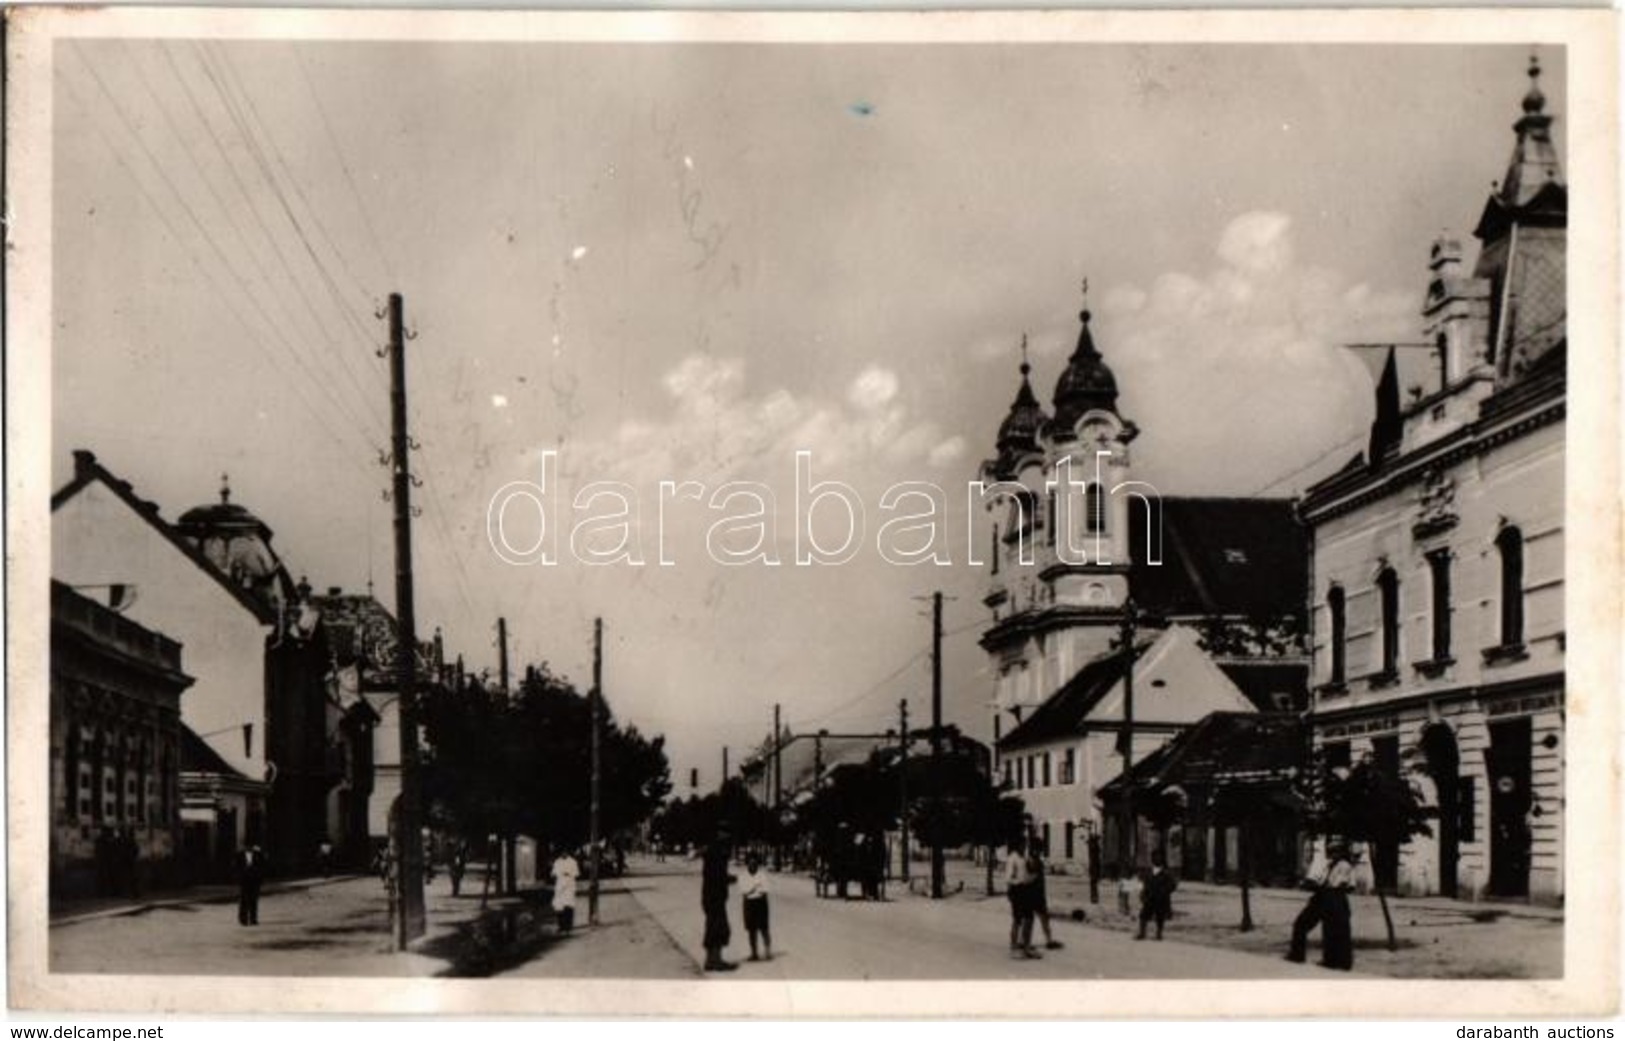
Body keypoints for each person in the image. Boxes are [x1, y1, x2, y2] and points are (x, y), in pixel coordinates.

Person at [1287, 840, 1355, 969]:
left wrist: (1317, 886)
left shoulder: (1344, 865)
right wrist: (1310, 883)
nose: (1332, 854)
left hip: (1335, 899)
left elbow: (1337, 884)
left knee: (1335, 930)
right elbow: (1321, 880)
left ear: (1341, 853)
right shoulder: (1328, 865)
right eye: (1330, 851)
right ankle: (1297, 955)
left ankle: (1336, 962)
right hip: (1322, 897)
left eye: (1335, 851)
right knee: (1301, 924)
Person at [701, 828, 738, 971]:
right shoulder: (717, 852)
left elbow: (713, 874)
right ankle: (715, 961)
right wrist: (729, 879)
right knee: (718, 928)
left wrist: (726, 878)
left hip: (711, 896)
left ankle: (711, 960)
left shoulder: (713, 851)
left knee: (713, 927)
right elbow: (716, 876)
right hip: (714, 896)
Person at [1003, 835, 1039, 959]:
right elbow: (1008, 878)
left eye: (1025, 844)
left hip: (1027, 890)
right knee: (1017, 919)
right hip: (1017, 890)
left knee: (1029, 918)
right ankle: (1014, 946)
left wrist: (1032, 873)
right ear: (1017, 845)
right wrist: (1017, 883)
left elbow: (1031, 872)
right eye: (1022, 844)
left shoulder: (1026, 857)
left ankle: (1026, 945)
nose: (1024, 846)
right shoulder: (1012, 858)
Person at [1026, 837, 1063, 950]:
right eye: (1036, 849)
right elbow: (1029, 878)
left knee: (1044, 918)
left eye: (1039, 849)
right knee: (1029, 919)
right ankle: (1026, 942)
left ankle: (1049, 940)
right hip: (1031, 894)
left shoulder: (1038, 861)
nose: (1038, 851)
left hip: (1039, 894)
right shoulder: (1030, 861)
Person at [1136, 851, 1177, 941]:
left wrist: (1165, 891)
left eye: (1158, 858)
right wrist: (1143, 894)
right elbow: (1145, 884)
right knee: (1143, 915)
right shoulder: (1149, 872)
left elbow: (1173, 885)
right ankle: (1142, 933)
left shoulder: (1166, 873)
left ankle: (1159, 934)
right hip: (1150, 897)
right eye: (1154, 858)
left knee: (1160, 916)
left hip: (1161, 899)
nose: (1156, 860)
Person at [740, 851, 772, 961]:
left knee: (764, 928)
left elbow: (764, 891)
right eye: (750, 862)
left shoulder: (762, 875)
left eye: (755, 862)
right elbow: (744, 891)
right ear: (747, 863)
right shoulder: (743, 876)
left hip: (761, 903)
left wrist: (752, 890)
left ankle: (767, 951)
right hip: (749, 904)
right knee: (751, 930)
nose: (752, 864)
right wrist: (755, 887)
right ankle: (754, 953)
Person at [551, 848, 581, 934]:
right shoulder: (557, 862)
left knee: (568, 906)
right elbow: (553, 873)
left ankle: (568, 926)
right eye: (562, 852)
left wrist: (568, 873)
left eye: (565, 852)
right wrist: (556, 874)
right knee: (559, 906)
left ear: (567, 852)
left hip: (569, 885)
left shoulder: (572, 862)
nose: (563, 854)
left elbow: (576, 873)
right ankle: (561, 926)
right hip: (560, 886)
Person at [236, 842, 265, 926]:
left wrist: (259, 879)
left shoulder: (258, 855)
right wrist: (239, 879)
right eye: (246, 846)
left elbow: (262, 867)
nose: (248, 848)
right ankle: (243, 919)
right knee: (243, 900)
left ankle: (253, 919)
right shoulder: (239, 855)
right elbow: (236, 868)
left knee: (254, 900)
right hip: (244, 881)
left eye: (250, 846)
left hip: (254, 881)